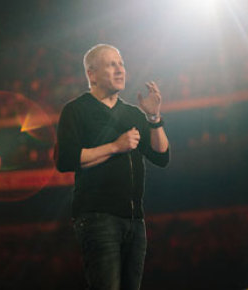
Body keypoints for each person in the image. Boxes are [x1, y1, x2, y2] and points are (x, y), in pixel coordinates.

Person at [56, 44, 170, 290]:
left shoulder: (133, 114)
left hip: (135, 220)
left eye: (122, 64)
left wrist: (153, 118)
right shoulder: (76, 110)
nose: (120, 70)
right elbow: (65, 159)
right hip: (97, 217)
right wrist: (115, 147)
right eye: (111, 65)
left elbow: (161, 157)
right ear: (92, 74)